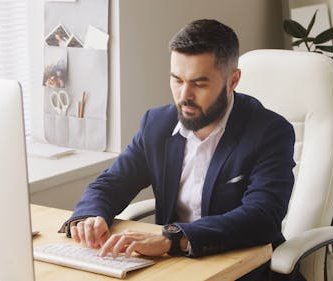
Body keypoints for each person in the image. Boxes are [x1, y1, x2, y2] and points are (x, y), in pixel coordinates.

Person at [59, 19, 296, 281]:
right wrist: (90, 216)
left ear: (233, 80)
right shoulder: (157, 125)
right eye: (177, 80)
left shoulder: (270, 132)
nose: (185, 95)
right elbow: (112, 182)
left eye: (200, 83)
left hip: (243, 270)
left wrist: (173, 238)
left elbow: (262, 217)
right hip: (175, 269)